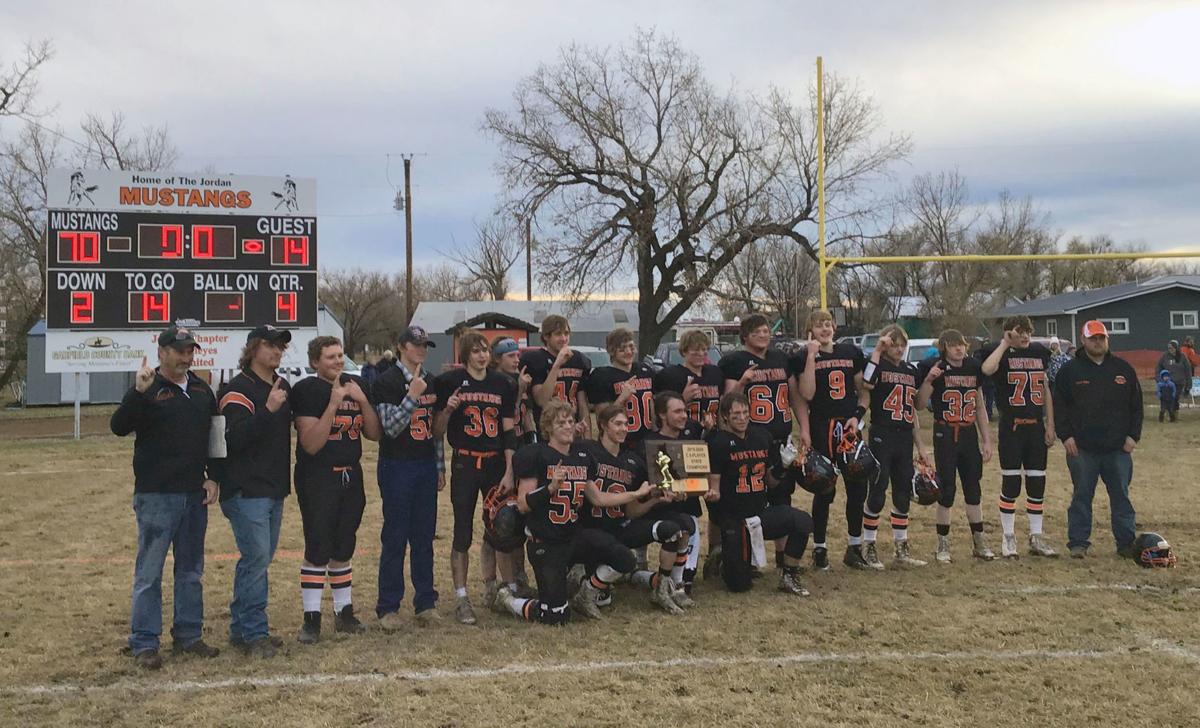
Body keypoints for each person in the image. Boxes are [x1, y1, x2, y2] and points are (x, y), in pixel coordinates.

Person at [110, 326, 222, 670]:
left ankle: (188, 636)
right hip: (156, 495)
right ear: (162, 352)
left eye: (190, 350)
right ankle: (144, 642)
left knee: (191, 571)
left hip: (193, 495)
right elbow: (118, 426)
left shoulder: (203, 390)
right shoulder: (148, 388)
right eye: (179, 350)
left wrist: (213, 477)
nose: (186, 357)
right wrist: (137, 393)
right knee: (150, 573)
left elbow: (215, 439)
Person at [493, 400, 650, 623]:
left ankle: (587, 593)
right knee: (555, 616)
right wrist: (550, 488)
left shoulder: (581, 458)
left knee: (625, 558)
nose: (568, 426)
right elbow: (523, 504)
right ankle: (507, 600)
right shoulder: (536, 455)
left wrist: (634, 495)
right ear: (548, 428)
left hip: (573, 536)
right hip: (546, 542)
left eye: (570, 421)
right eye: (561, 423)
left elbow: (598, 498)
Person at [291, 336, 381, 644]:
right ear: (315, 361)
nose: (337, 361)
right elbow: (311, 444)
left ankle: (344, 613)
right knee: (318, 548)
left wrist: (364, 401)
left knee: (344, 546)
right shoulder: (306, 390)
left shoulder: (356, 385)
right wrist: (333, 403)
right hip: (318, 477)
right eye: (330, 356)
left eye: (340, 355)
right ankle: (311, 619)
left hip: (351, 475)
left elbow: (373, 434)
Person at [432, 331, 518, 625]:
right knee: (462, 532)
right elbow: (438, 430)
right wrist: (448, 409)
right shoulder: (449, 383)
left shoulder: (503, 383)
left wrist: (510, 468)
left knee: (500, 527)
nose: (482, 356)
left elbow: (509, 432)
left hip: (494, 464)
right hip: (465, 463)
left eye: (485, 350)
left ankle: (499, 589)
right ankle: (461, 596)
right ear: (465, 355)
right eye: (476, 351)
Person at [218, 325, 294, 658]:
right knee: (256, 559)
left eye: (280, 346)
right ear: (252, 349)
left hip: (273, 486)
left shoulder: (281, 386)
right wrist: (269, 409)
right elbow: (233, 439)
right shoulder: (238, 389)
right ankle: (254, 632)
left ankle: (241, 628)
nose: (277, 351)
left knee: (259, 560)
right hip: (246, 489)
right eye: (269, 345)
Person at [583, 404, 691, 614]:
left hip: (619, 528)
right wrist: (636, 494)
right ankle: (592, 584)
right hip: (591, 530)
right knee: (603, 598)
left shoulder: (632, 461)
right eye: (618, 424)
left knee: (675, 529)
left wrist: (656, 498)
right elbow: (596, 498)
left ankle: (664, 589)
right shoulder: (588, 452)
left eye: (626, 423)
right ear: (603, 426)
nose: (624, 428)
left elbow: (631, 512)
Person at [370, 325, 444, 629]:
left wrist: (440, 467)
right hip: (397, 464)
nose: (422, 349)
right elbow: (390, 427)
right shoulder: (386, 381)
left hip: (425, 464)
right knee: (396, 536)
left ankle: (425, 602)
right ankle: (388, 606)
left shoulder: (432, 380)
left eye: (425, 344)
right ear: (401, 347)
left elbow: (434, 431)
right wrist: (412, 396)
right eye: (416, 345)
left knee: (424, 537)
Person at [704, 392, 813, 596]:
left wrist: (783, 465)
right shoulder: (718, 443)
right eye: (736, 414)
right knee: (739, 585)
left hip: (759, 514)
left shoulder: (761, 437)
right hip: (735, 519)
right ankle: (722, 558)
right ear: (725, 416)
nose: (743, 417)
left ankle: (789, 575)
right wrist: (712, 495)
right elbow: (715, 488)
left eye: (746, 412)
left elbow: (770, 482)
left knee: (803, 521)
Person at [711, 314, 794, 574]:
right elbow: (726, 401)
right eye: (757, 331)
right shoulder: (734, 361)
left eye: (766, 330)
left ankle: (782, 558)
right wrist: (744, 382)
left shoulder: (780, 358)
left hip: (777, 438)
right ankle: (724, 555)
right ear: (744, 335)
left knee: (781, 498)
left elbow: (795, 396)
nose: (763, 335)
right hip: (747, 439)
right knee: (740, 503)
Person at [1053, 320, 1143, 559]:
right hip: (1082, 449)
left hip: (1118, 449)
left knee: (1121, 496)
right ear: (1083, 340)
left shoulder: (1123, 369)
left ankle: (1126, 543)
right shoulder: (1069, 371)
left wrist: (1133, 437)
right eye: (1092, 338)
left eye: (1101, 338)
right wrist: (1066, 436)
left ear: (1107, 340)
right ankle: (1078, 543)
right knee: (1082, 496)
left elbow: (1137, 406)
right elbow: (1059, 407)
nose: (1097, 342)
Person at [790, 309, 868, 570]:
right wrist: (812, 355)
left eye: (828, 324)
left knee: (857, 488)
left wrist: (858, 417)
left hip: (848, 428)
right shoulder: (803, 356)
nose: (824, 329)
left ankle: (854, 546)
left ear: (835, 326)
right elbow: (807, 393)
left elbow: (864, 393)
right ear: (810, 330)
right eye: (818, 325)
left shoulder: (851, 353)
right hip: (822, 426)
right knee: (824, 487)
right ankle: (820, 548)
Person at [980, 315, 1057, 559]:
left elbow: (1045, 390)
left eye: (1027, 331)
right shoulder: (998, 352)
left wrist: (1050, 424)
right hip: (1011, 427)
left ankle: (1036, 536)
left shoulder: (1039, 352)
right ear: (1008, 332)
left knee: (1037, 484)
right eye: (1019, 331)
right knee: (1011, 484)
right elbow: (986, 369)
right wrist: (1005, 344)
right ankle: (1008, 536)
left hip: (1035, 427)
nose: (1024, 336)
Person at [916, 329, 995, 563]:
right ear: (944, 348)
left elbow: (980, 406)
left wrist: (987, 439)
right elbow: (920, 404)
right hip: (946, 432)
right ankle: (943, 544)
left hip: (969, 432)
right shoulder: (937, 368)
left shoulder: (973, 367)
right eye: (952, 345)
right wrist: (930, 380)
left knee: (973, 488)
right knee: (946, 490)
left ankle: (979, 541)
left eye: (961, 344)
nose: (958, 349)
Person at [858, 325, 931, 569]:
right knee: (877, 491)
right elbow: (867, 383)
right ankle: (868, 546)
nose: (899, 349)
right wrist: (878, 351)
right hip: (882, 433)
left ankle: (901, 547)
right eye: (895, 344)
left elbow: (913, 410)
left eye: (902, 345)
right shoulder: (878, 364)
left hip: (903, 436)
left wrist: (921, 445)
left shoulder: (910, 370)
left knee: (903, 492)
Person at [648, 390, 707, 596]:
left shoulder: (692, 437)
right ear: (662, 415)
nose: (683, 415)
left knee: (687, 581)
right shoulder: (651, 442)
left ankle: (678, 581)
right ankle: (659, 581)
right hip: (660, 510)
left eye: (685, 411)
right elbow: (656, 484)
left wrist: (688, 489)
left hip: (688, 506)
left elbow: (700, 481)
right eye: (677, 411)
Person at [519, 315, 592, 439]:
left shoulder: (578, 359)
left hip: (574, 430)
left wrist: (588, 438)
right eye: (558, 334)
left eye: (566, 333)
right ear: (546, 336)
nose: (563, 338)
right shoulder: (537, 359)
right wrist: (557, 365)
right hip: (548, 433)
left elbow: (582, 403)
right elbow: (541, 400)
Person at [585, 327, 657, 451]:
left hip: (647, 440)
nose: (628, 352)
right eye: (622, 349)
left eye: (631, 347)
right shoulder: (603, 376)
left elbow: (653, 406)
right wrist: (622, 397)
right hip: (621, 443)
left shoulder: (645, 370)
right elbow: (602, 419)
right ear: (612, 351)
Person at [652, 329, 723, 427]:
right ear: (684, 351)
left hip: (712, 433)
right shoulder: (670, 376)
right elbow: (660, 414)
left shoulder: (715, 373)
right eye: (696, 350)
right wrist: (683, 399)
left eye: (704, 349)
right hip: (683, 434)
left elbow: (721, 408)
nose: (701, 353)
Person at [1156, 340, 1192, 422]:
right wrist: (1159, 379)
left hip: (1179, 382)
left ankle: (1174, 415)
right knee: (1168, 399)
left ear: (1176, 348)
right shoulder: (1165, 356)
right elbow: (1158, 367)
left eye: (1172, 348)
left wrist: (1188, 385)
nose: (1170, 350)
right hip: (1167, 383)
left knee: (1175, 398)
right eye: (1169, 348)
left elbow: (1188, 370)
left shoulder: (1182, 357)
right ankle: (1170, 416)